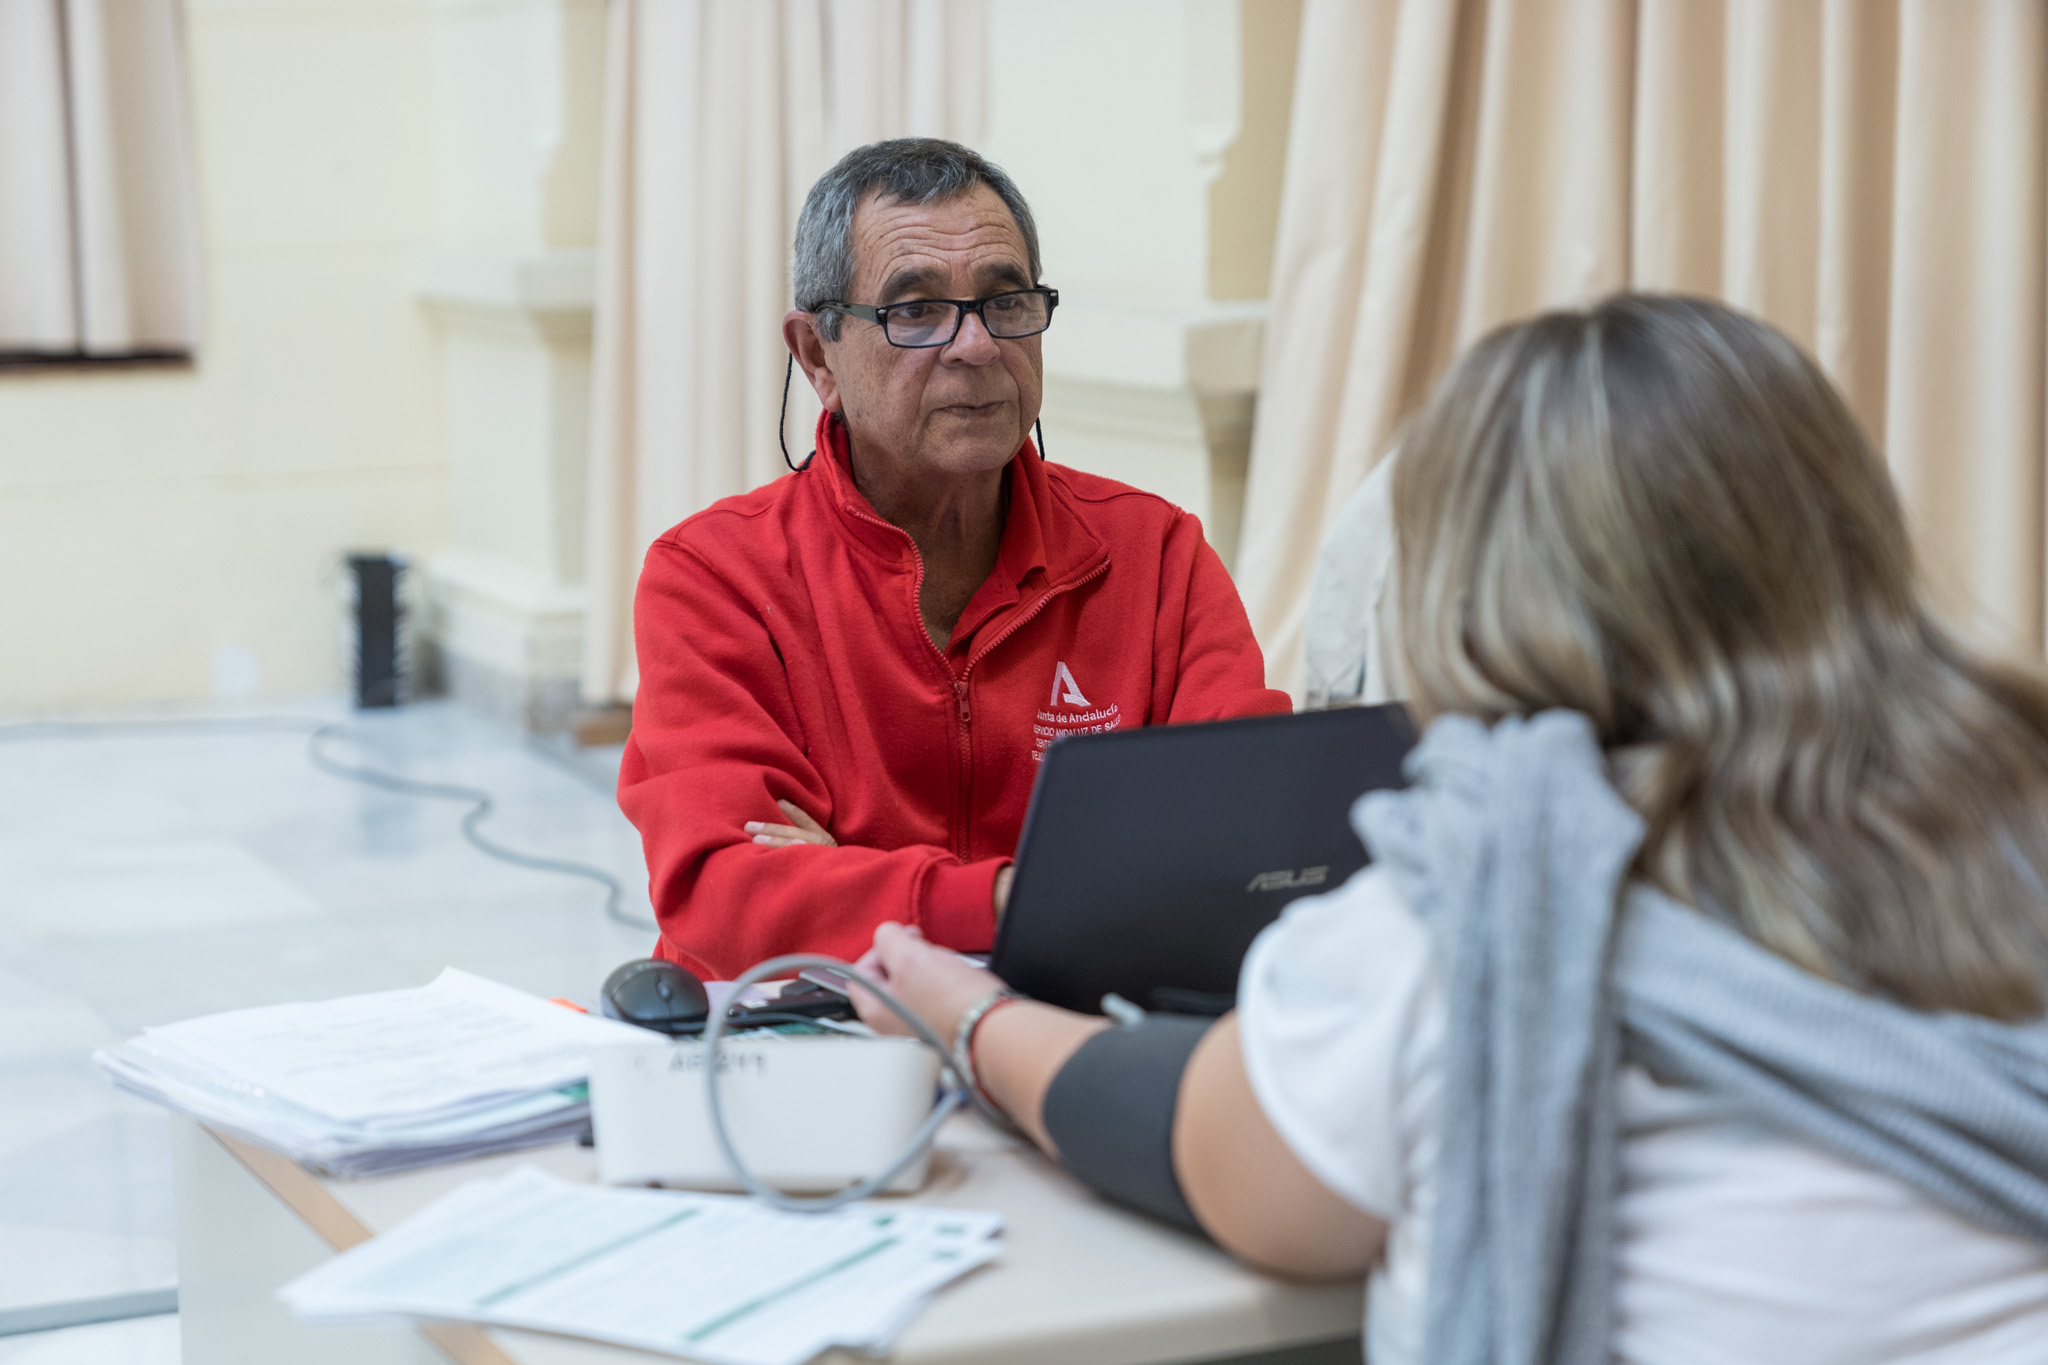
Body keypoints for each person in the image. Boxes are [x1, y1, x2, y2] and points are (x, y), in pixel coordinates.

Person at [852, 295, 2048, 1365]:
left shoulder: (1474, 909)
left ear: (1462, 587)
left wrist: (965, 1017)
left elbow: (1210, 1150)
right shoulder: (2011, 822)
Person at [620, 138, 1288, 981]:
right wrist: (1022, 896)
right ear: (818, 356)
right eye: (916, 310)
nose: (976, 346)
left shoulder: (1152, 555)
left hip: (1070, 1026)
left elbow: (1253, 844)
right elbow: (726, 894)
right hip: (809, 1041)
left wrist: (850, 880)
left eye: (1006, 302)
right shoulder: (716, 576)